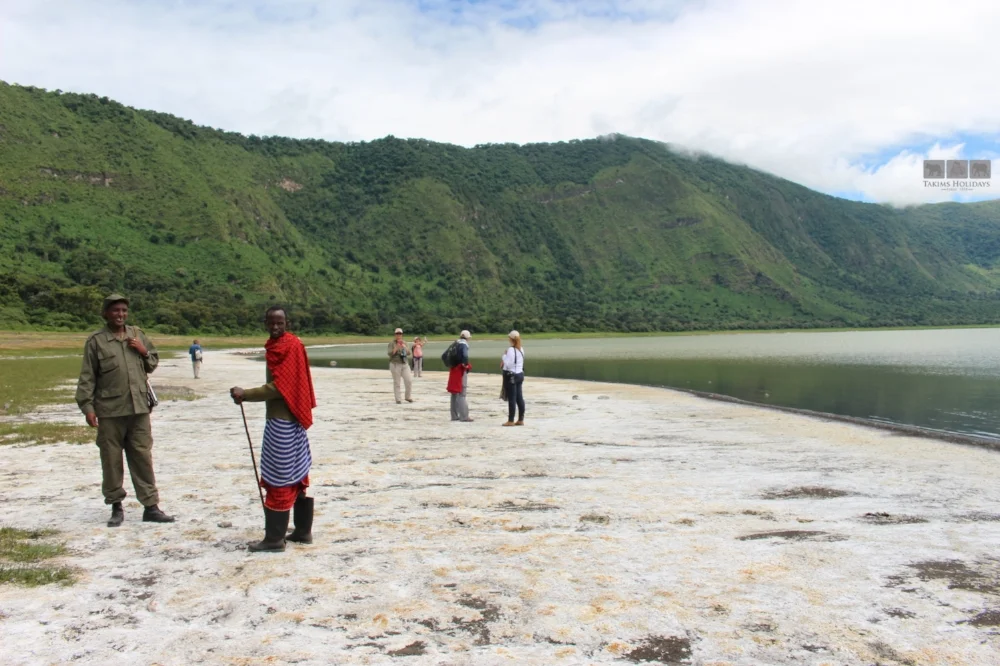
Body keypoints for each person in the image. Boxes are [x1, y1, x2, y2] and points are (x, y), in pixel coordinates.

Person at [75, 293, 175, 527]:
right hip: (109, 411)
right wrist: (87, 407)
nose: (120, 315)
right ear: (106, 313)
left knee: (142, 456)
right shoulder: (96, 341)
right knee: (111, 460)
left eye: (123, 311)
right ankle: (116, 506)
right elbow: (87, 377)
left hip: (139, 409)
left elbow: (152, 363)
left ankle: (151, 506)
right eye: (115, 311)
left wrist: (143, 350)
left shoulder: (137, 335)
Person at [229, 306, 316, 553]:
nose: (275, 327)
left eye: (279, 323)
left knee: (279, 476)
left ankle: (275, 539)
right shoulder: (285, 344)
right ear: (265, 323)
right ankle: (302, 531)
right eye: (271, 323)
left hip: (283, 422)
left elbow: (281, 388)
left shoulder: (290, 346)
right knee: (296, 472)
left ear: (287, 322)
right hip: (294, 419)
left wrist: (246, 394)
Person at [500, 330, 525, 426]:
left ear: (510, 339)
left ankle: (510, 420)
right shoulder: (521, 349)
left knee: (512, 398)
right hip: (520, 375)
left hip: (511, 376)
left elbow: (508, 364)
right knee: (519, 398)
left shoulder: (511, 350)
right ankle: (521, 419)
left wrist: (504, 356)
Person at [448, 330, 473, 422]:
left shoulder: (456, 343)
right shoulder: (464, 344)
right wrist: (466, 365)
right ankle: (464, 416)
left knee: (454, 393)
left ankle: (454, 415)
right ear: (468, 338)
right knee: (462, 393)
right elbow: (465, 356)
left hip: (453, 370)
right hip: (460, 371)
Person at [387, 327, 413, 403]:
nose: (398, 335)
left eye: (400, 334)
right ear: (395, 335)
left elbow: (409, 353)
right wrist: (396, 348)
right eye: (397, 333)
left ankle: (408, 396)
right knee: (397, 382)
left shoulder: (405, 342)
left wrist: (404, 347)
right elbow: (389, 353)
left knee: (409, 380)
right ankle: (398, 399)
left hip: (404, 363)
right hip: (395, 363)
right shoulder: (391, 343)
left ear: (402, 335)